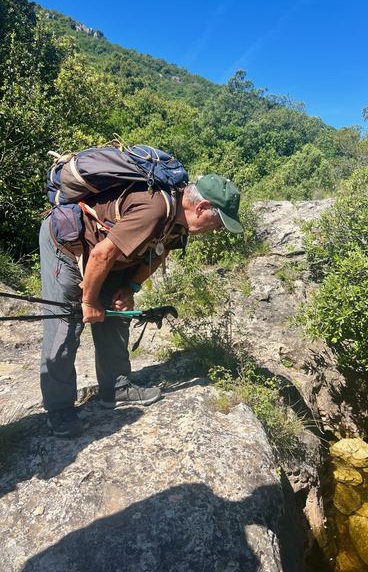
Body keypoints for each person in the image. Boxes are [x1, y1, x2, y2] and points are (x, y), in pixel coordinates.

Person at [40, 173, 243, 437]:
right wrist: (88, 301)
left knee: (116, 313)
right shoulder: (156, 209)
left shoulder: (179, 221)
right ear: (202, 207)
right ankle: (59, 410)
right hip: (69, 245)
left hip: (107, 254)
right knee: (65, 325)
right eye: (218, 223)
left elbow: (160, 252)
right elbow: (102, 253)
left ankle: (116, 387)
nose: (216, 230)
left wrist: (130, 288)